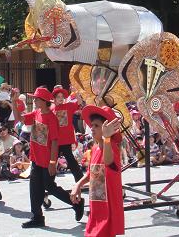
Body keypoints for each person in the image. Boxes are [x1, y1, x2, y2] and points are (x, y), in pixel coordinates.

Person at [12, 87, 84, 228]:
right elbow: (19, 118)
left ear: (44, 101)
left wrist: (52, 162)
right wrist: (14, 102)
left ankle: (76, 203)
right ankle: (37, 217)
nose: (34, 100)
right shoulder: (36, 113)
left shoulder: (51, 118)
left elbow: (55, 141)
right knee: (34, 188)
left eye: (36, 98)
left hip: (46, 160)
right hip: (36, 158)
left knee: (50, 187)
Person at [70, 105, 124, 237]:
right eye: (92, 125)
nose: (92, 128)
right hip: (95, 209)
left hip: (107, 211)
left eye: (97, 126)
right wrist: (78, 185)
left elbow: (108, 161)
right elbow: (91, 173)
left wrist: (106, 138)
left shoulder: (112, 147)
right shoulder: (94, 148)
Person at [51, 85, 84, 182]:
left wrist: (76, 92)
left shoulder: (68, 106)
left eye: (62, 97)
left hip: (66, 140)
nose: (60, 99)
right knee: (53, 161)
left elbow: (80, 102)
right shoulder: (51, 109)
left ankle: (80, 180)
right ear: (54, 98)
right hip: (55, 140)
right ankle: (49, 181)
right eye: (58, 97)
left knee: (71, 160)